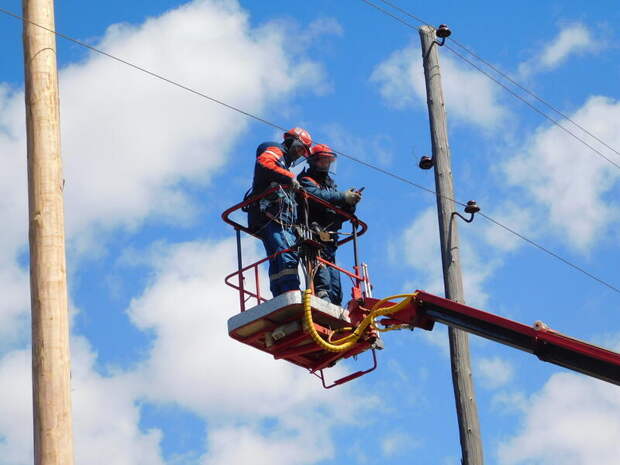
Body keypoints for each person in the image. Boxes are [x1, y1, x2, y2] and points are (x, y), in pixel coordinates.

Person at [248, 127, 313, 297]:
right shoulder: (275, 150)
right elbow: (265, 162)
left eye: (302, 152)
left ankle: (280, 293)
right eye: (299, 149)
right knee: (287, 251)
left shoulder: (283, 161)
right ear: (291, 142)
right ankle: (290, 290)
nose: (299, 154)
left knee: (277, 256)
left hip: (275, 217)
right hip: (272, 216)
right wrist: (289, 177)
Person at [297, 144, 361, 306]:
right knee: (322, 276)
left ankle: (335, 304)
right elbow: (317, 196)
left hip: (329, 240)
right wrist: (342, 197)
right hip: (314, 235)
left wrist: (350, 204)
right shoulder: (306, 180)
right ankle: (322, 299)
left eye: (329, 161)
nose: (326, 165)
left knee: (335, 284)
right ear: (313, 162)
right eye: (323, 161)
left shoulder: (330, 185)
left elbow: (337, 213)